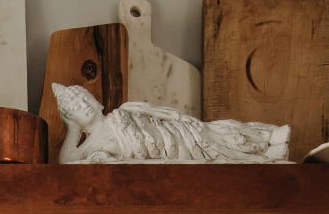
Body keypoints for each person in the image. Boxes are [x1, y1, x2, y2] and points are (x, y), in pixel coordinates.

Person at [52, 82, 291, 163]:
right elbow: (66, 161)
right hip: (171, 154)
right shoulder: (92, 145)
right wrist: (71, 129)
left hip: (176, 133)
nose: (82, 105)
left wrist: (180, 118)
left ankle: (268, 137)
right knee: (219, 154)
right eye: (75, 108)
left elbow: (155, 112)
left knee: (216, 134)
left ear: (96, 101)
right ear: (73, 118)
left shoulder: (123, 111)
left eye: (84, 99)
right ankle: (269, 155)